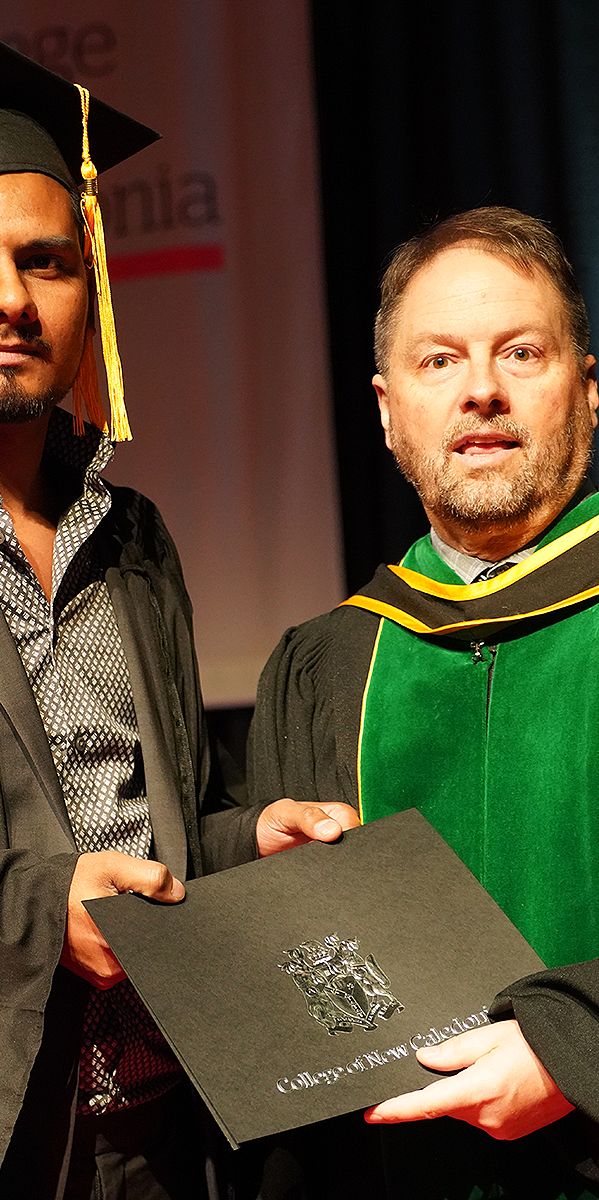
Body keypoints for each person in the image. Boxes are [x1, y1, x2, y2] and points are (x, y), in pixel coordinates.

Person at [0, 23, 357, 1200]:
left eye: (46, 261)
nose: (9, 298)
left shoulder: (133, 539)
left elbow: (150, 828)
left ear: (87, 285)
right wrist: (31, 916)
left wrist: (241, 843)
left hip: (158, 1142)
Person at [249, 206, 599, 1199]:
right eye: (438, 361)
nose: (480, 389)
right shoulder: (325, 665)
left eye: (520, 353)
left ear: (586, 389)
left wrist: (577, 1044)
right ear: (385, 409)